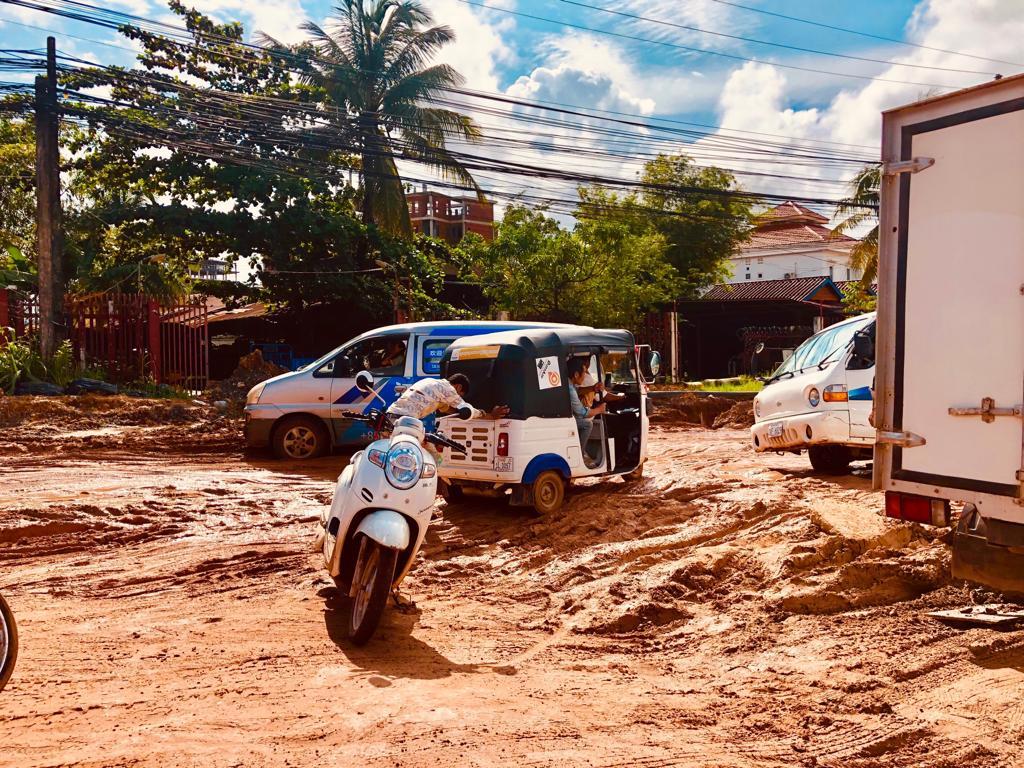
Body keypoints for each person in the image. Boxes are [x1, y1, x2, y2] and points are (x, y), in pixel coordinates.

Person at [387, 372, 508, 422]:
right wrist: (490, 415)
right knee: (430, 454)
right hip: (406, 421)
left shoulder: (431, 382)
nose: (458, 397)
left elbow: (447, 409)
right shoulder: (448, 389)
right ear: (459, 387)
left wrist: (457, 413)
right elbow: (467, 409)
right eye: (460, 395)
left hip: (390, 416)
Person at [568, 359, 606, 464]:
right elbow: (582, 412)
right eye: (584, 373)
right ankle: (579, 454)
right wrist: (599, 409)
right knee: (587, 424)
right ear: (576, 374)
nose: (585, 376)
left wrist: (593, 388)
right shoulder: (570, 389)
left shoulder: (569, 383)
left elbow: (578, 391)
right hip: (566, 420)